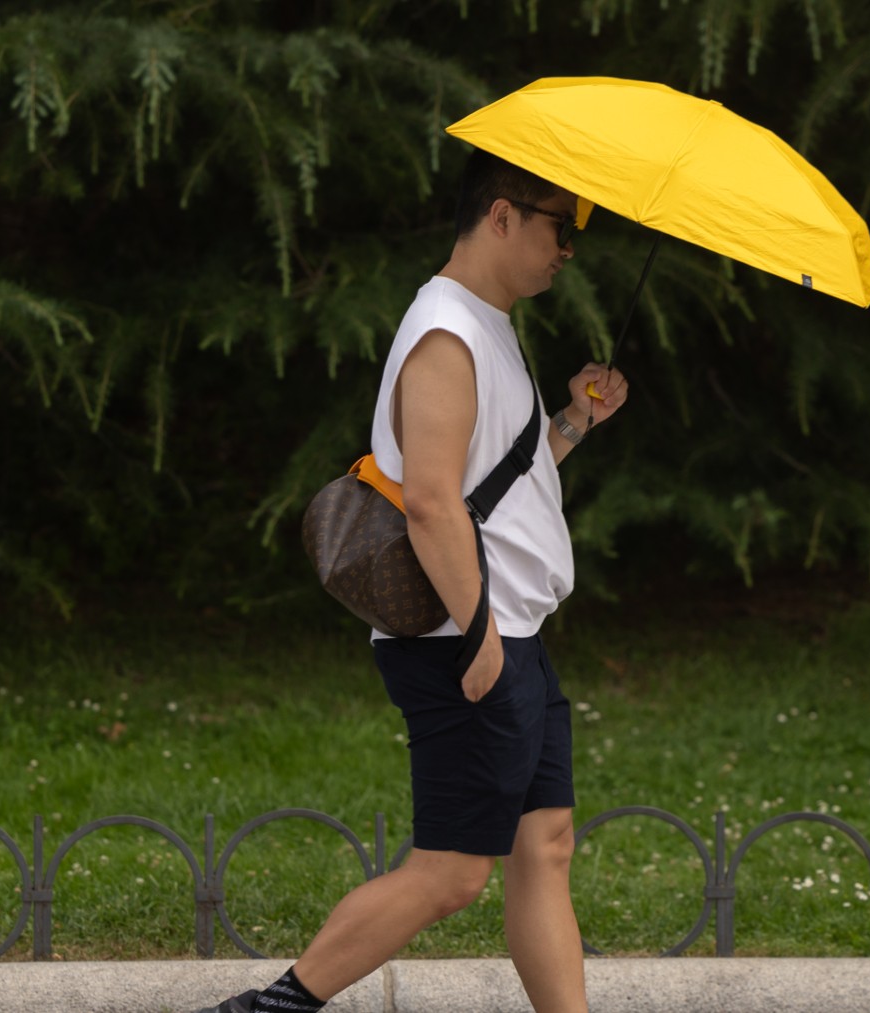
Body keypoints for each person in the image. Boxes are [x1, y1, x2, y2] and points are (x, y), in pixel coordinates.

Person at [197, 149, 629, 1013]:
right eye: (560, 229)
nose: (566, 251)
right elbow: (431, 503)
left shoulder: (486, 324)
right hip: (465, 641)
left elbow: (496, 484)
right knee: (451, 873)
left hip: (508, 635)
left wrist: (578, 419)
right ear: (501, 214)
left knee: (544, 843)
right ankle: (270, 1007)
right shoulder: (446, 333)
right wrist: (480, 643)